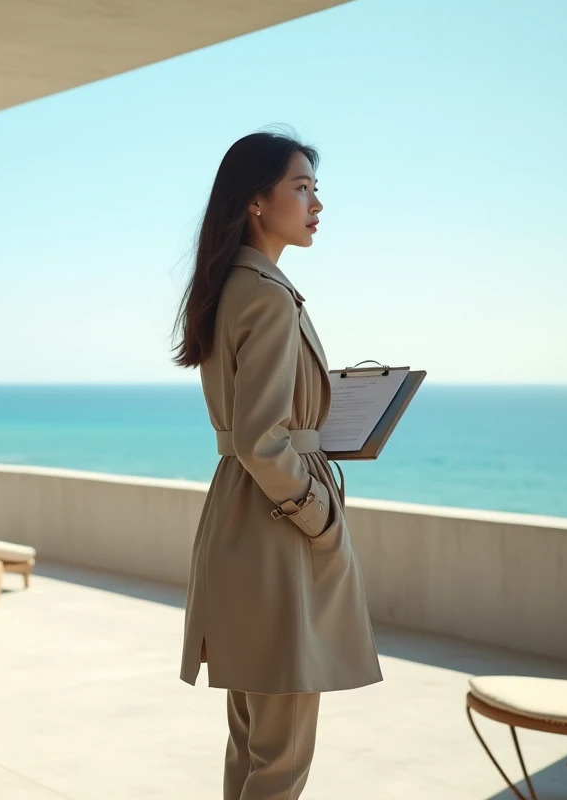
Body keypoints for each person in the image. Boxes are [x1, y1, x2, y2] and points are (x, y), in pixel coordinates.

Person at [173, 130, 383, 800]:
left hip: (237, 523)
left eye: (316, 189)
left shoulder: (229, 285)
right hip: (277, 533)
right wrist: (319, 518)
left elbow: (256, 431)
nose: (316, 203)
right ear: (256, 202)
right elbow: (266, 441)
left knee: (251, 743)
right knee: (283, 755)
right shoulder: (264, 294)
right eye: (301, 188)